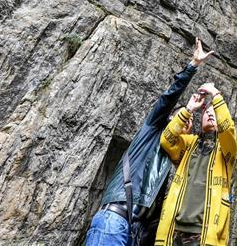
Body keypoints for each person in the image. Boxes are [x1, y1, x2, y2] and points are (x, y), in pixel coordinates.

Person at [85, 38, 214, 246]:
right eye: (183, 117)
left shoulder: (173, 157)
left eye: (189, 122)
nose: (186, 122)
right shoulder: (152, 130)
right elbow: (167, 98)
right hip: (114, 221)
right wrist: (193, 66)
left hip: (135, 232)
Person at [155, 81, 237, 246]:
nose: (212, 114)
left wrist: (215, 93)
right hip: (174, 228)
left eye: (215, 111)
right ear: (201, 118)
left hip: (205, 231)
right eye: (207, 111)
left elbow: (228, 130)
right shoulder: (188, 143)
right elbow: (167, 140)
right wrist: (189, 109)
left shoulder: (226, 150)